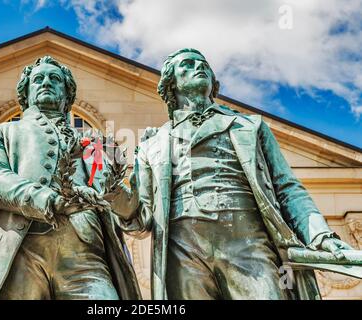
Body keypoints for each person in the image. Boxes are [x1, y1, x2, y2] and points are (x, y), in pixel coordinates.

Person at [108, 48, 353, 300]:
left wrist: (320, 235)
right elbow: (141, 217)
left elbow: (287, 188)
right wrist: (112, 191)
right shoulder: (152, 143)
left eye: (203, 64)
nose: (199, 67)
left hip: (248, 243)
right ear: (171, 84)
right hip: (182, 252)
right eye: (188, 65)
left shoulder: (250, 125)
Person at [0, 56, 140, 300]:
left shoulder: (98, 142)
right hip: (21, 250)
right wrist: (48, 199)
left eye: (55, 79)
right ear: (26, 93)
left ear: (68, 94)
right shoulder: (0, 133)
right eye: (38, 79)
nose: (46, 82)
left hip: (86, 256)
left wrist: (132, 178)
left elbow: (127, 207)